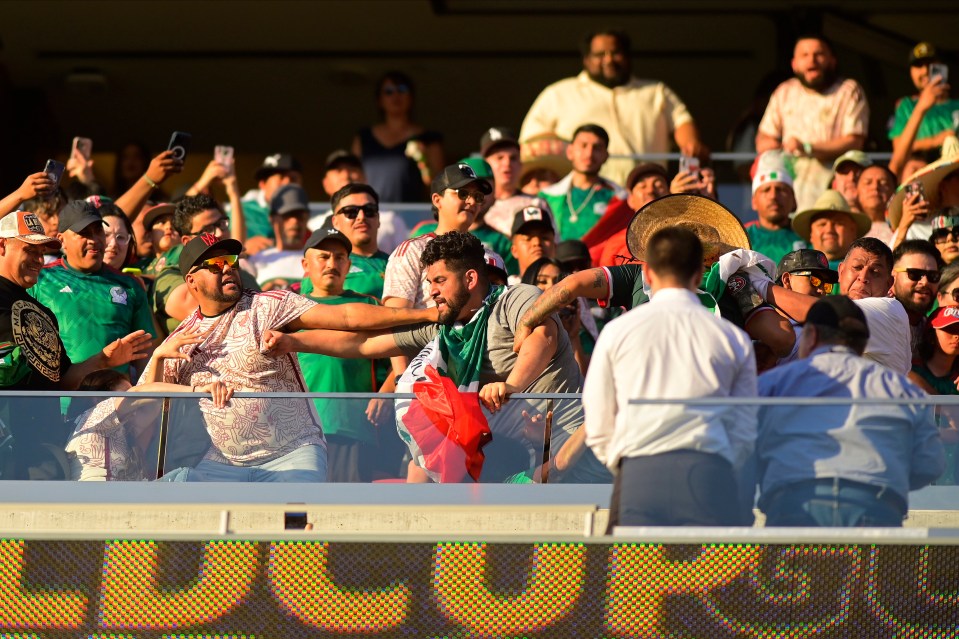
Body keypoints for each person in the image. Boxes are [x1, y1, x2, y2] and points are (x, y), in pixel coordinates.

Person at [263, 231, 609, 484]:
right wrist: (293, 342)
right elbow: (364, 345)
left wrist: (511, 385)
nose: (432, 290)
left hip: (569, 452)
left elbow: (543, 337)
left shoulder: (516, 297)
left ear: (471, 278)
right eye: (429, 281)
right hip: (507, 466)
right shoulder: (443, 326)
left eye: (440, 280)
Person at [149, 234, 437, 482]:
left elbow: (346, 316)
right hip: (222, 465)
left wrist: (426, 315)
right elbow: (144, 401)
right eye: (214, 264)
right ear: (191, 281)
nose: (226, 268)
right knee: (215, 536)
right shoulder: (180, 340)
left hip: (292, 454)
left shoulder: (268, 305)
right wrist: (160, 358)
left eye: (230, 261)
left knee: (296, 541)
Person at [585, 226, 757, 528]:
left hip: (639, 475)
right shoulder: (732, 338)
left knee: (633, 576)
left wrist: (625, 465)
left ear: (647, 273)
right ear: (699, 273)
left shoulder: (617, 331)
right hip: (709, 475)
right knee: (713, 577)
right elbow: (744, 426)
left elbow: (598, 420)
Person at [756, 295, 944, 526]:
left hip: (794, 506)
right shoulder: (903, 390)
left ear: (811, 335)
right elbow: (930, 464)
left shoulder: (774, 383)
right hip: (876, 510)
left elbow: (745, 448)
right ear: (862, 344)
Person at [0, 209, 152, 479]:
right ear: (2, 245)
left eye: (41, 251)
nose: (38, 259)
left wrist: (103, 360)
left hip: (39, 447)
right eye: (29, 249)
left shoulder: (41, 312)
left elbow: (62, 379)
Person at [520, 28, 705, 186]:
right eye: (600, 55)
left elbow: (682, 121)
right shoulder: (558, 93)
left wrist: (690, 145)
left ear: (627, 56)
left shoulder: (656, 91)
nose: (608, 60)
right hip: (582, 198)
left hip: (645, 195)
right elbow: (531, 147)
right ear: (586, 59)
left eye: (615, 53)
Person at [64, 333, 233, 481]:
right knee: (186, 478)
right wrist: (196, 390)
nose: (134, 398)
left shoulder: (123, 429)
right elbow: (144, 393)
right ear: (98, 397)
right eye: (128, 391)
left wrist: (158, 357)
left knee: (188, 477)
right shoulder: (92, 418)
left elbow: (151, 402)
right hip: (94, 505)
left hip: (125, 507)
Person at [31, 200, 156, 377]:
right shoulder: (40, 280)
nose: (94, 240)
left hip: (116, 400)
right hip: (59, 399)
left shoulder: (130, 285)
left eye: (98, 231)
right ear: (62, 240)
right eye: (84, 233)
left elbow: (146, 355)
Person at [296, 226, 382, 482]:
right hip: (298, 432)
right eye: (323, 256)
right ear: (305, 264)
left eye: (339, 257)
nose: (332, 263)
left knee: (346, 511)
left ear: (348, 264)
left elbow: (400, 362)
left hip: (352, 426)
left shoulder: (369, 306)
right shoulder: (287, 308)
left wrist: (384, 396)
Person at [758, 237, 913, 375]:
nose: (863, 277)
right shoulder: (812, 327)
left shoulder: (889, 309)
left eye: (875, 272)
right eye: (857, 267)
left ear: (889, 283)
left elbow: (824, 313)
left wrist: (757, 285)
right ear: (841, 271)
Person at [756, 35, 869, 210]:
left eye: (819, 54)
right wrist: (778, 146)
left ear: (832, 61)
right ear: (794, 64)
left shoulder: (849, 90)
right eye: (805, 55)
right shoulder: (784, 91)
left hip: (834, 195)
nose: (812, 60)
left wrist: (808, 148)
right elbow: (763, 139)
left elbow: (854, 141)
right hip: (790, 198)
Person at [382, 163, 491, 310]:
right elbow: (394, 316)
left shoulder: (488, 255)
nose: (471, 202)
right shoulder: (412, 250)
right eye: (462, 193)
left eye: (478, 196)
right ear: (437, 200)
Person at [153, 194, 260, 337]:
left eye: (221, 223)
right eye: (209, 229)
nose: (220, 233)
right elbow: (208, 311)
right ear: (187, 241)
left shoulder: (241, 273)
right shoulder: (168, 277)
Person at [352, 71, 444, 203]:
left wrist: (425, 162)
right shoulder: (363, 137)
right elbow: (354, 180)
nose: (396, 95)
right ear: (379, 100)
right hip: (370, 213)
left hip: (411, 215)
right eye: (388, 91)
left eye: (402, 89)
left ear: (411, 97)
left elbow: (439, 189)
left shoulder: (429, 139)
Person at [537, 124, 627, 241]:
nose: (589, 154)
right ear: (570, 151)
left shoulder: (619, 198)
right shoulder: (547, 197)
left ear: (606, 156)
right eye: (583, 146)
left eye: (597, 148)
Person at [318, 150, 410, 255]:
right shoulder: (314, 225)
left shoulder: (391, 220)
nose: (346, 175)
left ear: (365, 177)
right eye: (338, 170)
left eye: (352, 169)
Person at [889, 42, 959, 178]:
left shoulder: (957, 105)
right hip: (920, 174)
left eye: (930, 64)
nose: (925, 71)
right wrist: (936, 140)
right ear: (911, 72)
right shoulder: (906, 105)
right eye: (919, 65)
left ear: (943, 67)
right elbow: (898, 154)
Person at [584, 162, 670, 267]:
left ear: (669, 195)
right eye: (642, 186)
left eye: (659, 185)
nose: (650, 190)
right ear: (630, 200)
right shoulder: (615, 244)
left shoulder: (684, 234)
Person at [909, 305, 959, 485]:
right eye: (949, 329)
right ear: (931, 335)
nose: (956, 336)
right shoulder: (910, 370)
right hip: (916, 482)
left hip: (952, 484)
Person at [479, 127, 553, 239]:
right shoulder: (475, 205)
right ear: (485, 164)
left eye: (513, 158)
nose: (507, 163)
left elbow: (553, 245)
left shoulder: (536, 204)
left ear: (520, 164)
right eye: (499, 158)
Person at [771, 248, 838, 366]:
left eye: (827, 285)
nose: (821, 290)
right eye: (814, 280)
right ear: (787, 280)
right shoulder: (760, 325)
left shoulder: (824, 331)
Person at [889, 136, 959, 246]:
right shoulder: (915, 228)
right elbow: (893, 261)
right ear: (943, 186)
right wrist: (904, 226)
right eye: (958, 177)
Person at [743, 151, 806, 265]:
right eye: (766, 190)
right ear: (754, 201)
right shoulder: (741, 237)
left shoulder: (808, 236)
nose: (773, 196)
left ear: (794, 201)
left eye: (781, 189)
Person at [236, 153, 303, 254]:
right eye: (281, 178)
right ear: (263, 184)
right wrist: (243, 248)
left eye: (293, 178)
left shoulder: (307, 215)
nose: (287, 183)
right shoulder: (240, 210)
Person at [248, 184, 311, 289]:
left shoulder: (319, 259)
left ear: (307, 218)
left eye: (300, 216)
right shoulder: (257, 260)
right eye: (287, 215)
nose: (294, 221)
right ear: (272, 219)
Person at [790, 189, 871, 269]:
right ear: (811, 233)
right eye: (822, 224)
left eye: (838, 223)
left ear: (853, 231)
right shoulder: (795, 272)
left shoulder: (867, 270)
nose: (829, 230)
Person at [891, 239, 943, 356]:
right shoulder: (878, 317)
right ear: (892, 277)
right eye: (914, 274)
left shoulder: (930, 330)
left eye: (932, 276)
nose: (924, 282)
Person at [510, 205, 556, 284]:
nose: (537, 243)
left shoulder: (569, 288)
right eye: (528, 238)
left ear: (555, 247)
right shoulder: (505, 292)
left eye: (544, 237)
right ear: (514, 250)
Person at [857, 164, 898, 243]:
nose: (875, 187)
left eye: (883, 183)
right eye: (868, 182)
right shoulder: (846, 228)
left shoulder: (907, 226)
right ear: (856, 190)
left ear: (894, 191)